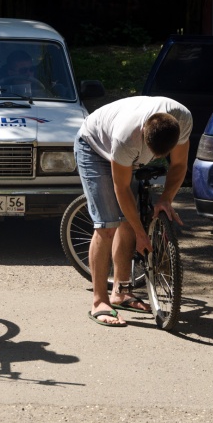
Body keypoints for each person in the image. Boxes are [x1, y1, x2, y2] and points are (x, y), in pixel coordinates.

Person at [75, 96, 192, 326]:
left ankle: (121, 293)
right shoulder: (126, 138)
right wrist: (141, 234)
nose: (157, 159)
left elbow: (179, 165)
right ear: (142, 134)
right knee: (107, 226)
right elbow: (121, 188)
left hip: (128, 153)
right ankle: (99, 302)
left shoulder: (182, 118)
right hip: (94, 146)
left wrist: (166, 200)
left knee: (129, 220)